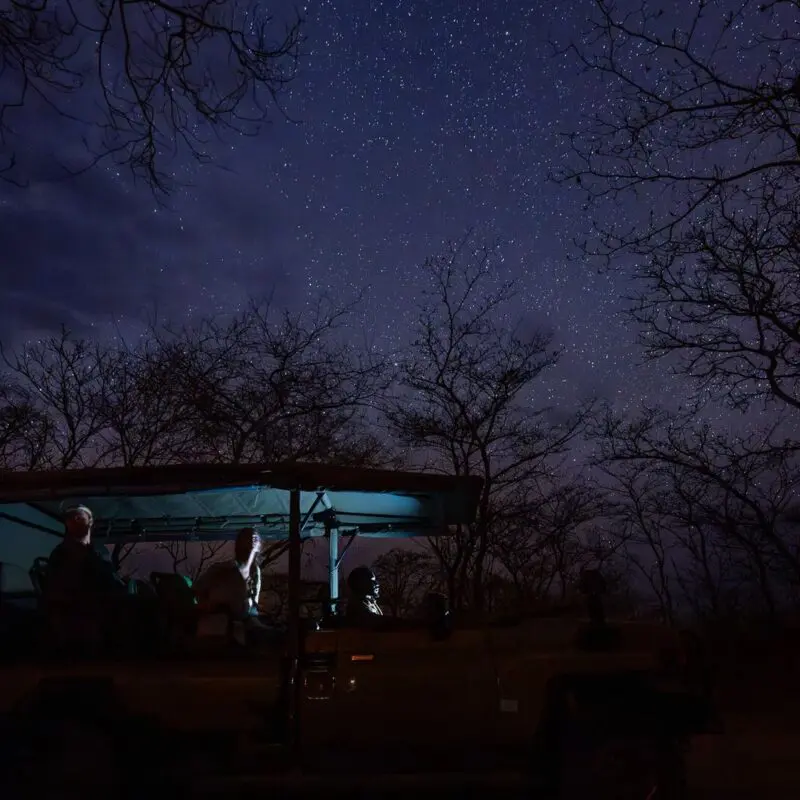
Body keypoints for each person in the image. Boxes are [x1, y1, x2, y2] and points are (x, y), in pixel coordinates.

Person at [43, 505, 129, 650]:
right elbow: (54, 589)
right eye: (70, 518)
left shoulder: (99, 552)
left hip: (102, 616)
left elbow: (109, 580)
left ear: (90, 521)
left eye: (79, 516)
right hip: (76, 617)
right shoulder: (61, 553)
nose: (74, 520)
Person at [193, 528, 270, 644]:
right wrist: (208, 605)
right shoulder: (222, 569)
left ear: (259, 545)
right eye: (248, 536)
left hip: (246, 622)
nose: (253, 539)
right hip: (219, 625)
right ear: (239, 542)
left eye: (256, 537)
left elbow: (253, 604)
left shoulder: (256, 572)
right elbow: (198, 589)